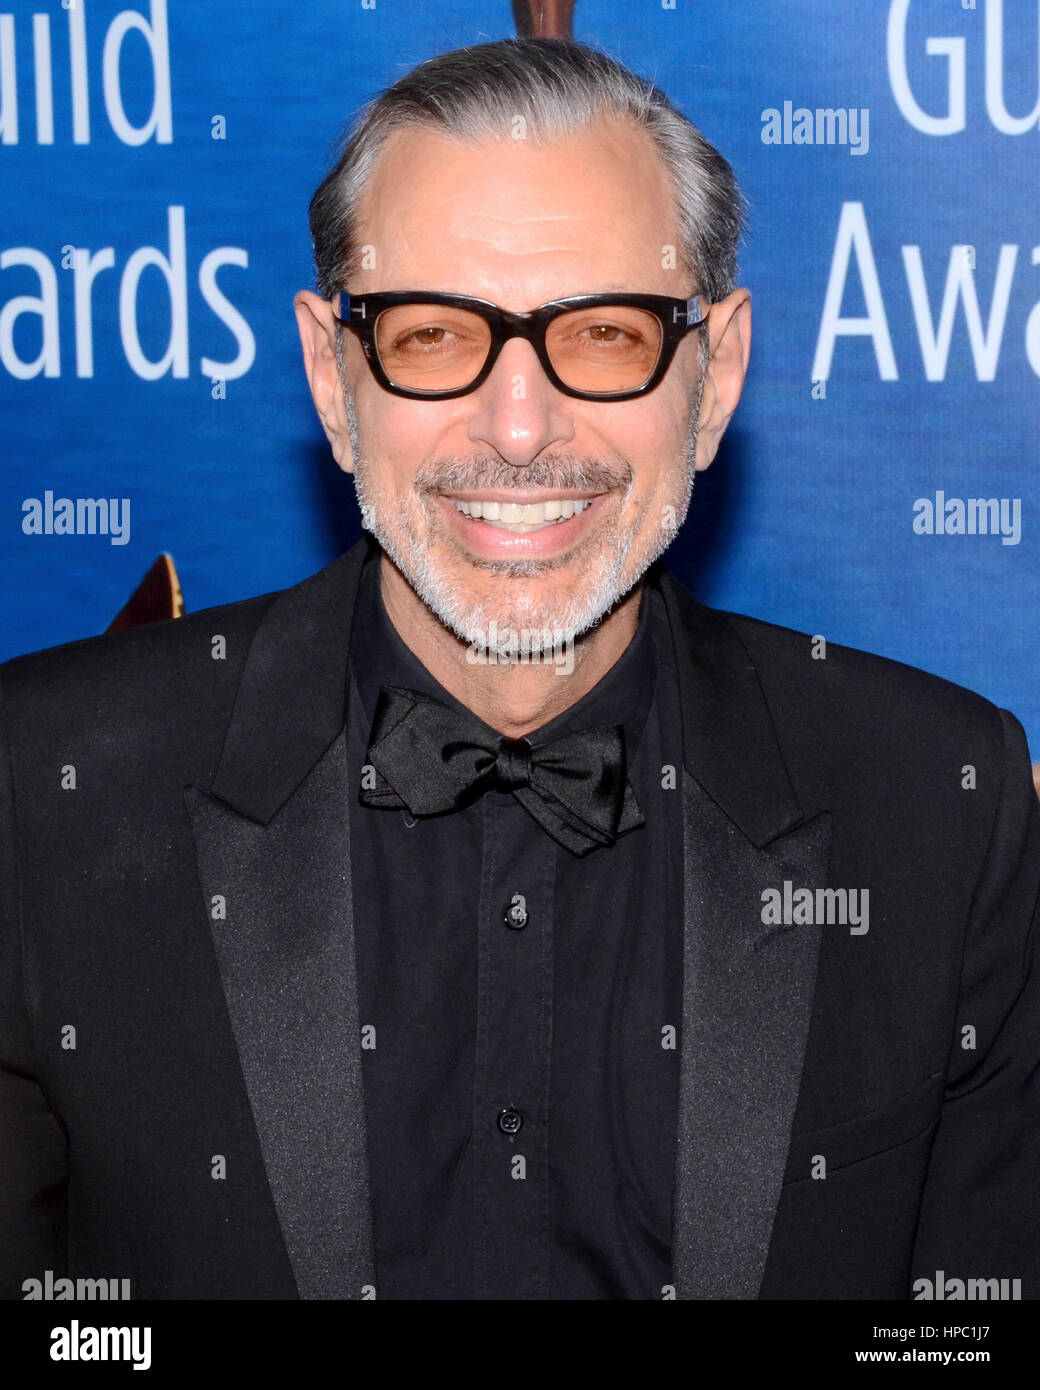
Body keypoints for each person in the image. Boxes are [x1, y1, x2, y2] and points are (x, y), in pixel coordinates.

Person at [1, 37, 1037, 1303]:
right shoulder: (41, 796)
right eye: (434, 334)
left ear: (712, 381)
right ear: (334, 381)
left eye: (604, 335)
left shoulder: (941, 808)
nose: (518, 427)